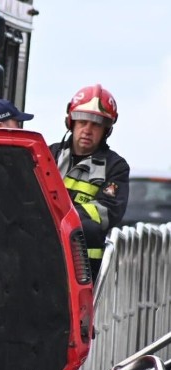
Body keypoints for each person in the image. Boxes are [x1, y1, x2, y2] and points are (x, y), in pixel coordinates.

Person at [49, 84, 130, 280]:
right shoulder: (49, 154)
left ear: (106, 130)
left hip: (82, 264)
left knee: (91, 229)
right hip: (42, 246)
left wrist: (62, 217)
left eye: (96, 124)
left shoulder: (115, 166)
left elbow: (109, 210)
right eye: (83, 122)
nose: (87, 130)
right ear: (71, 122)